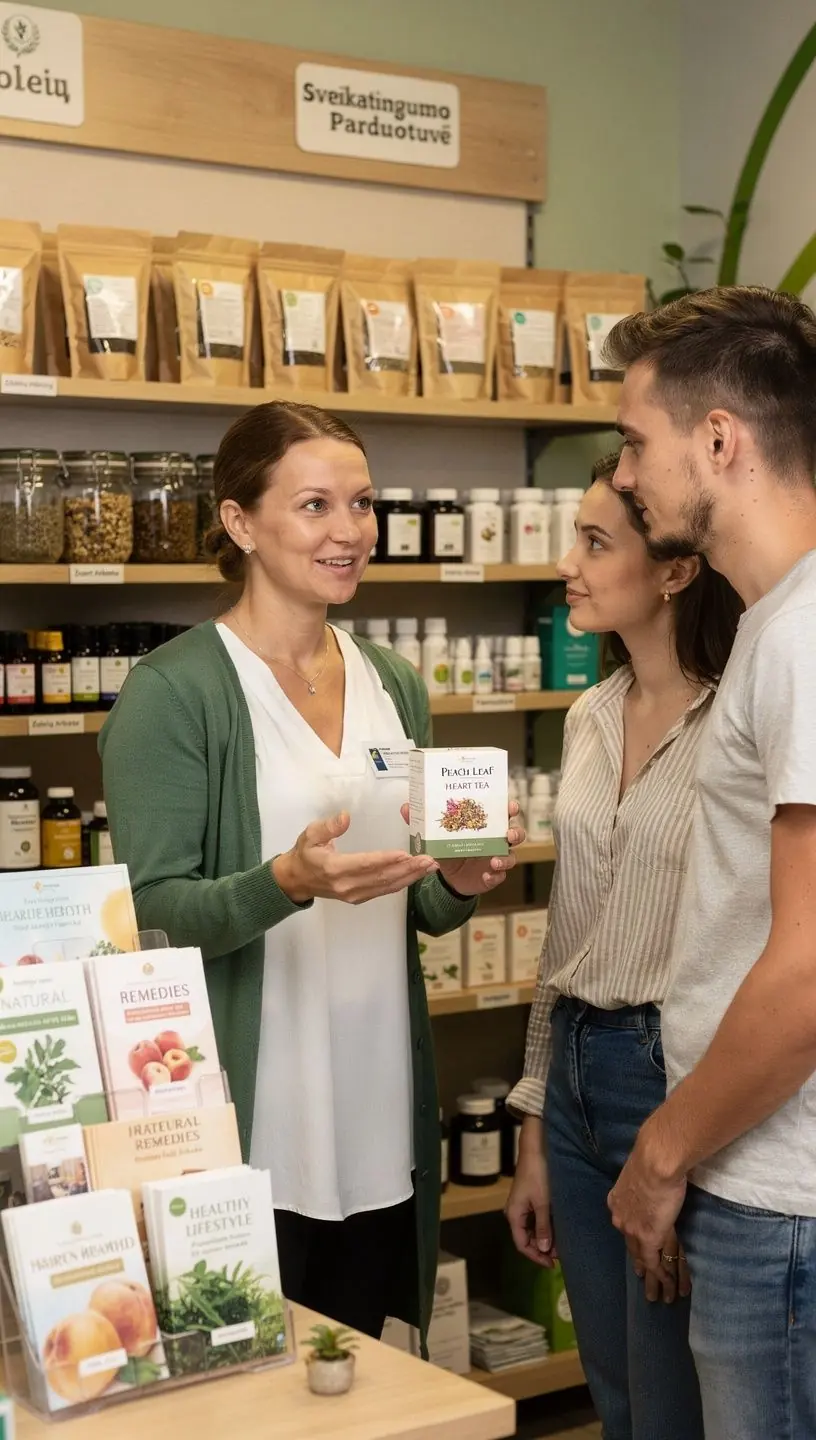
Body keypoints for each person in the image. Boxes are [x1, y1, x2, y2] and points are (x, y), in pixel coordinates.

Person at [100, 400, 523, 1348]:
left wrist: (460, 883)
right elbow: (146, 920)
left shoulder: (393, 682)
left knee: (356, 1371)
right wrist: (284, 881)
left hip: (377, 1110)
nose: (351, 532)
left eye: (363, 503)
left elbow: (413, 895)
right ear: (240, 522)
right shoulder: (176, 691)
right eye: (316, 506)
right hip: (256, 1125)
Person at [605, 285, 816, 1440]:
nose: (627, 477)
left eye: (638, 442)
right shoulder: (779, 628)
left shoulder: (802, 640)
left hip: (781, 1202)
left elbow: (808, 970)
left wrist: (661, 1150)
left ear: (721, 441)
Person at [505, 451, 742, 1440]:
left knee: (668, 1403)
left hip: (673, 1074)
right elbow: (572, 929)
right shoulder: (590, 715)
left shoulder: (739, 718)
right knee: (613, 1393)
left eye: (597, 543)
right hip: (577, 1075)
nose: (572, 563)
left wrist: (681, 1133)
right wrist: (533, 1119)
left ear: (676, 570)